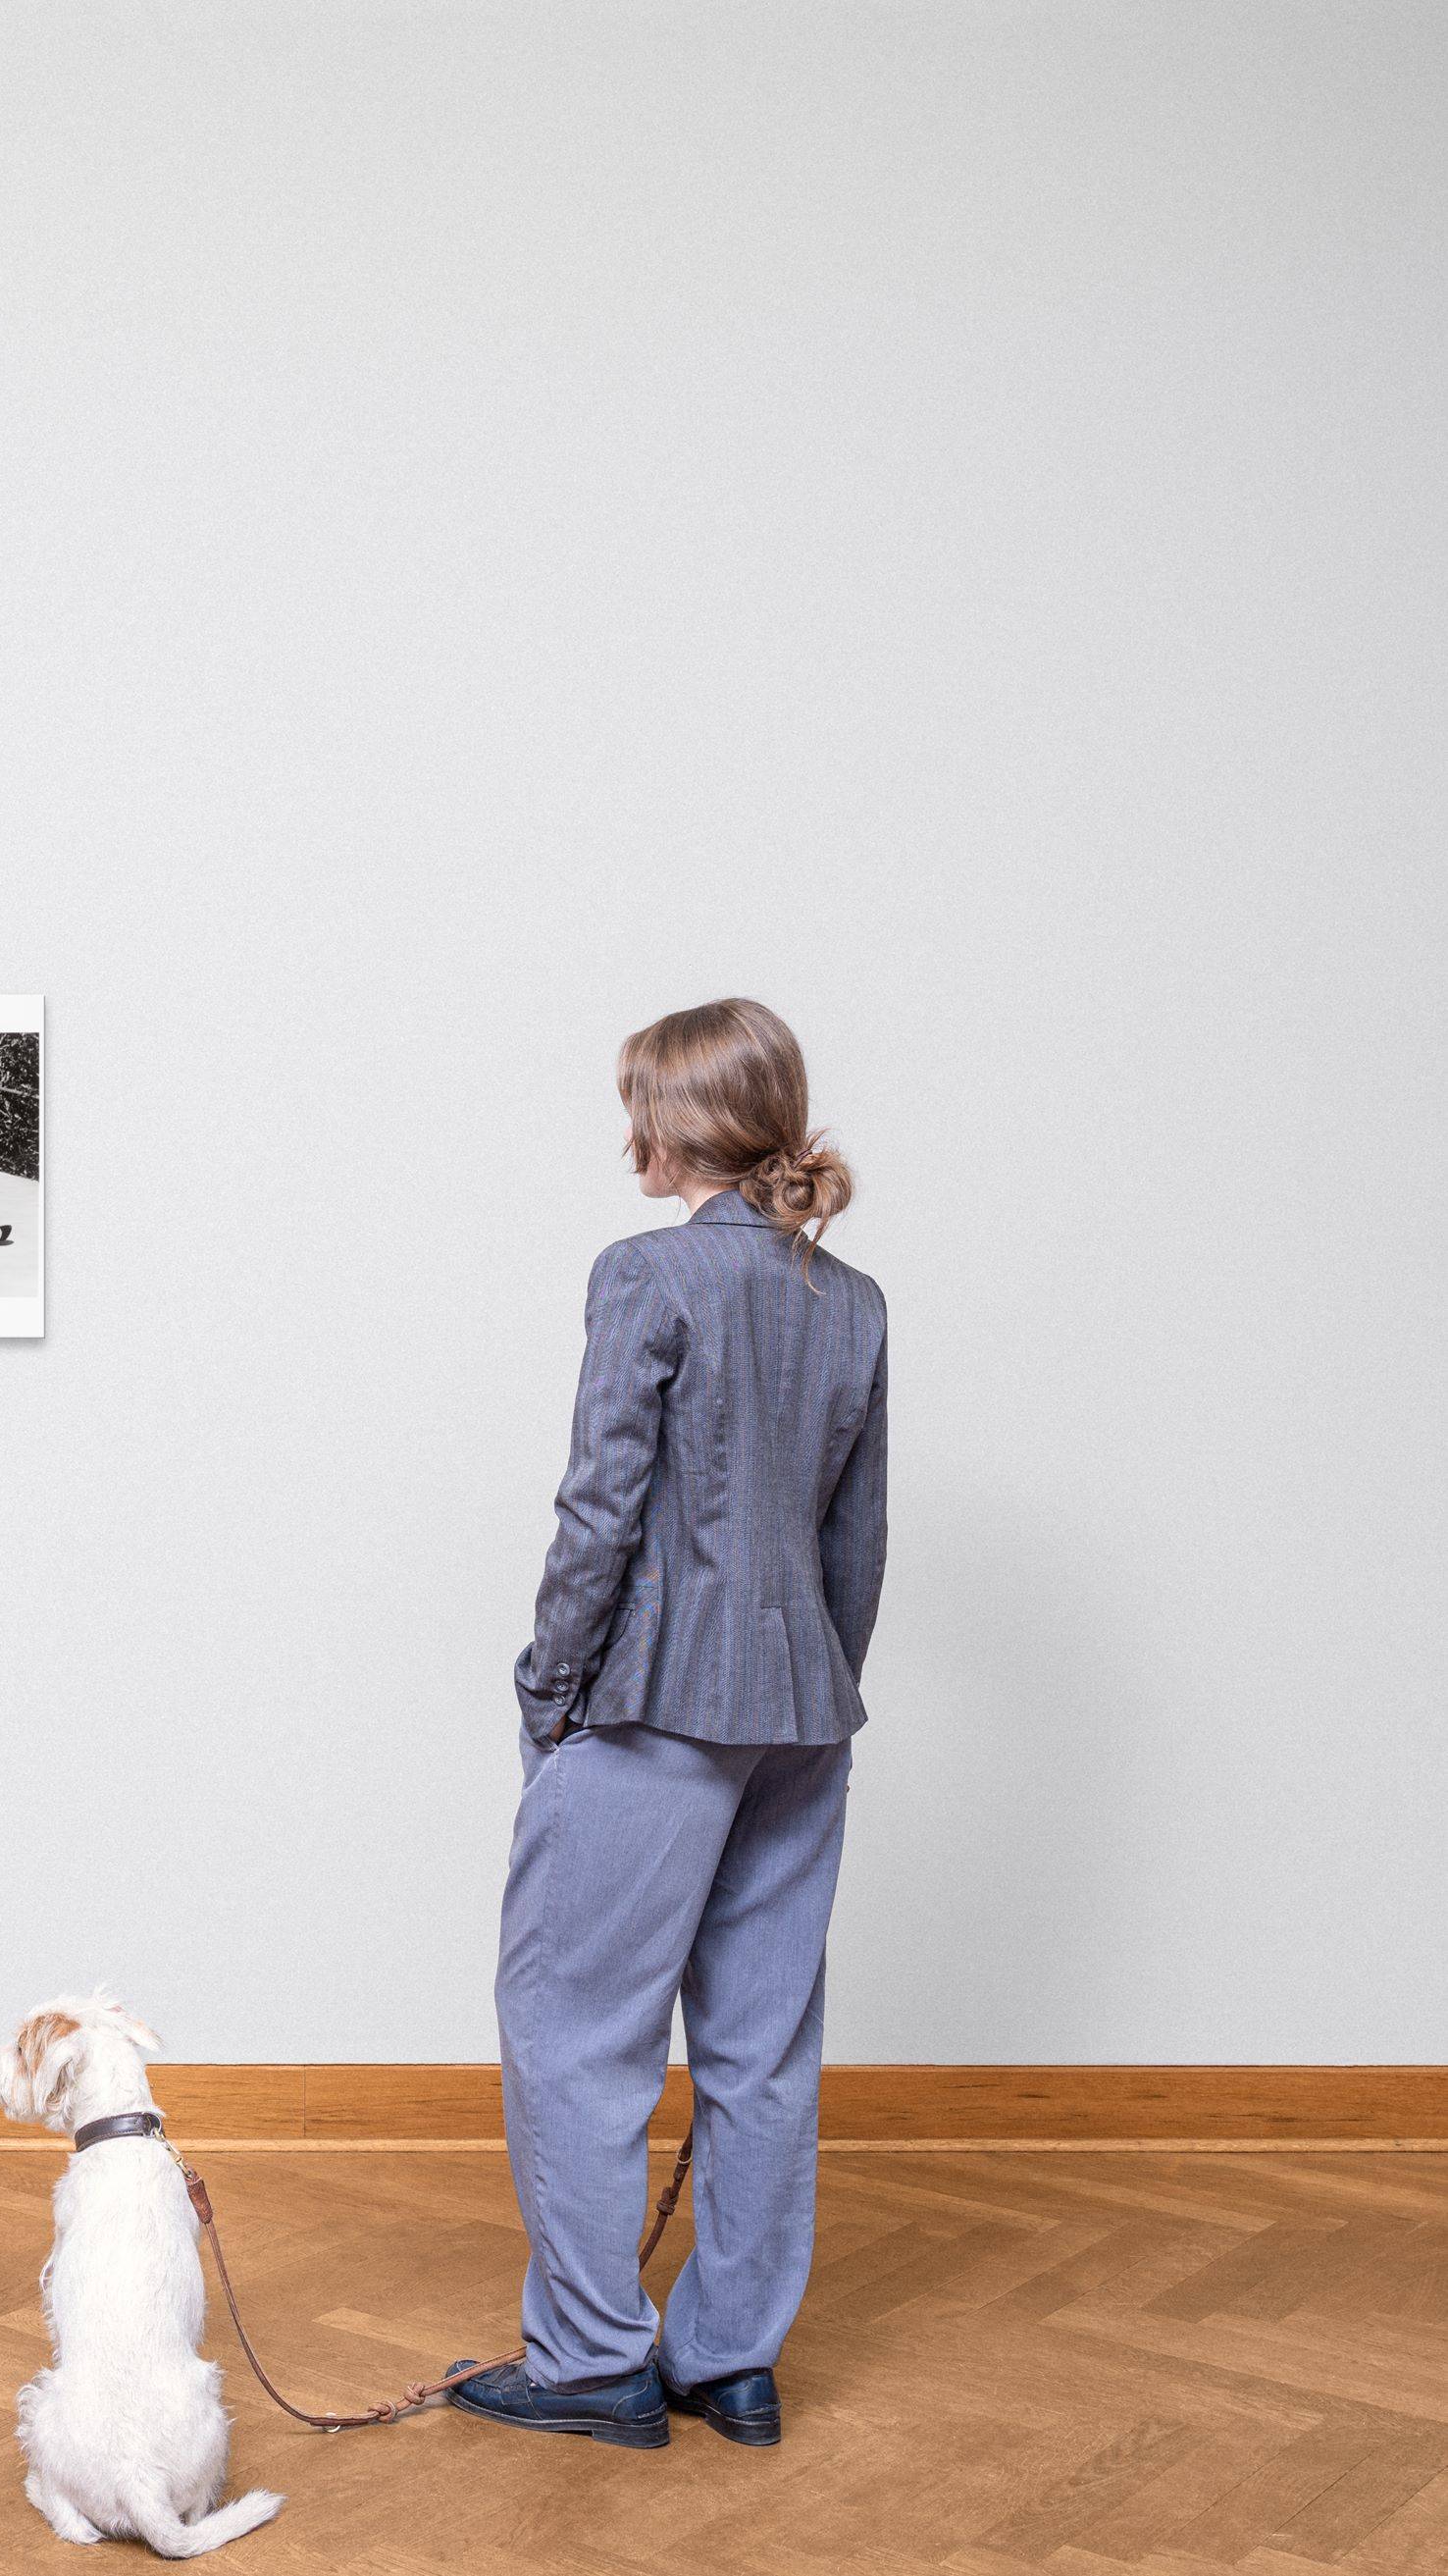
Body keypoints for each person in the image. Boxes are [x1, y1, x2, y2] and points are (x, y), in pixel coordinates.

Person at [449, 998, 886, 2455]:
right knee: (762, 2049)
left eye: (635, 1100)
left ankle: (587, 2360)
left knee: (577, 2036)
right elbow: (854, 1544)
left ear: (678, 1120)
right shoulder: (856, 1299)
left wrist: (548, 1690)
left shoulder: (646, 1273)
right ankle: (731, 2362)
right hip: (802, 1714)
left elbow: (599, 1508)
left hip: (652, 1706)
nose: (623, 1128)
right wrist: (814, 1688)